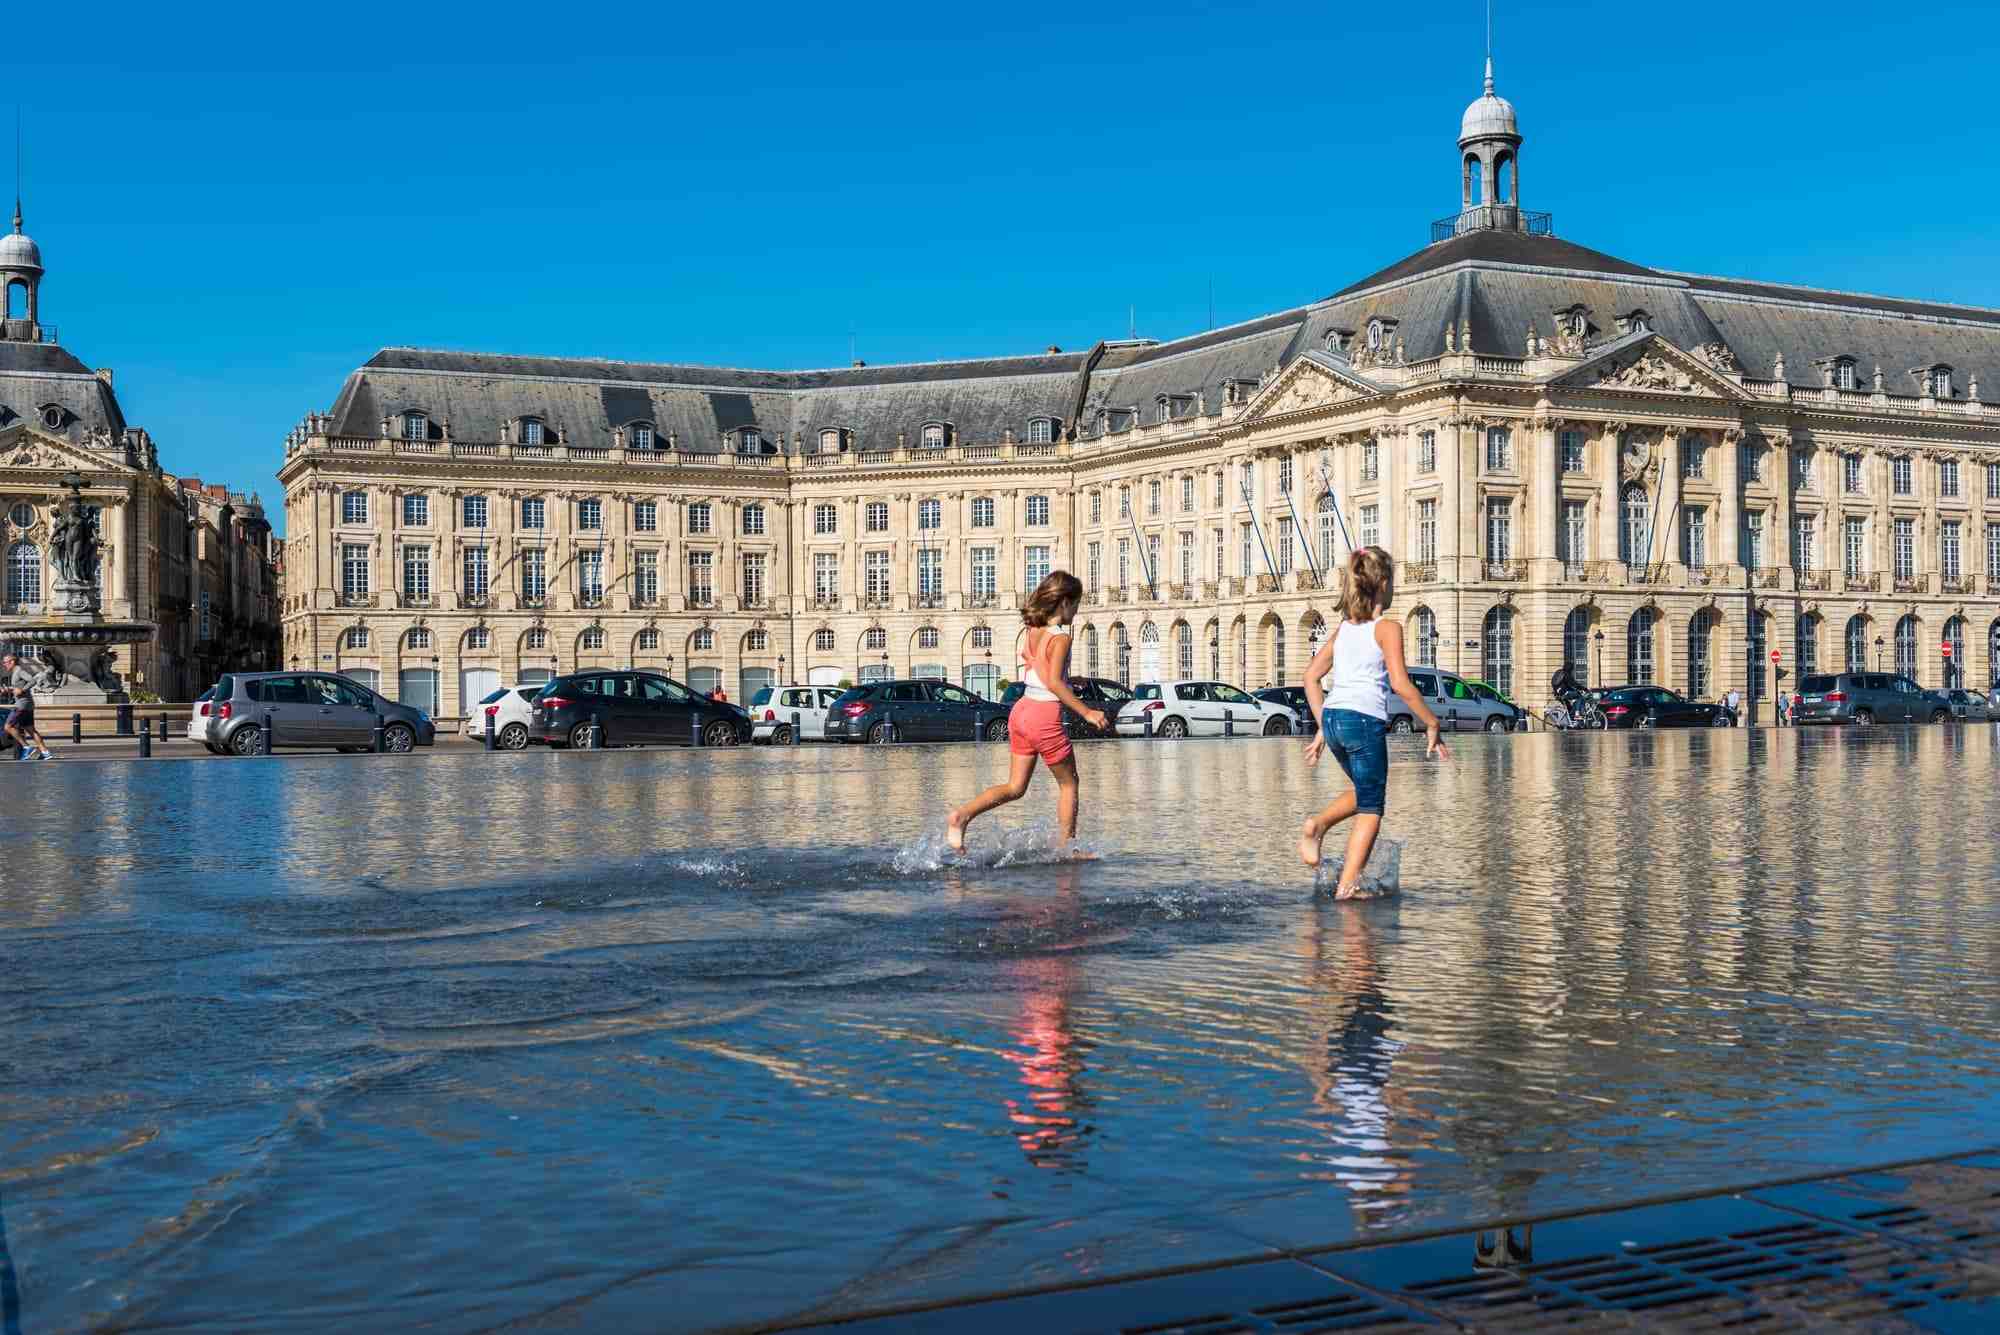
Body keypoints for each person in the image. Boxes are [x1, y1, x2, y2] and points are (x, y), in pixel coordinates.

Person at [1297, 546, 1446, 896]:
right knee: (1373, 807)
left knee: (1366, 792)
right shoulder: (1388, 629)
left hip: (1335, 718)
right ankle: (1346, 885)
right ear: (1381, 584)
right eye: (1392, 581)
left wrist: (1322, 726)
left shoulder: (1343, 630)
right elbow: (1400, 684)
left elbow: (1310, 678)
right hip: (1363, 721)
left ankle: (1318, 826)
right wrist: (1431, 723)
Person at [946, 571, 1109, 854]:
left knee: (1015, 787)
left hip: (1021, 711)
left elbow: (1041, 673)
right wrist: (1087, 712)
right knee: (1069, 783)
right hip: (1043, 717)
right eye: (1077, 603)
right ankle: (1067, 850)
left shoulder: (1033, 629)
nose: (1078, 610)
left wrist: (1072, 679)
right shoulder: (1061, 638)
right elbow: (1054, 683)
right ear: (1065, 603)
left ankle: (961, 816)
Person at [1, 652, 55, 761]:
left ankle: (27, 747)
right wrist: (8, 690)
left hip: (22, 705)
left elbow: (32, 680)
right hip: (27, 705)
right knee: (31, 730)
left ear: (12, 661)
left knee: (8, 727)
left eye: (5, 662)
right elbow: (18, 689)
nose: (4, 665)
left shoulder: (19, 671)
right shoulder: (15, 672)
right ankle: (45, 752)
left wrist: (22, 690)